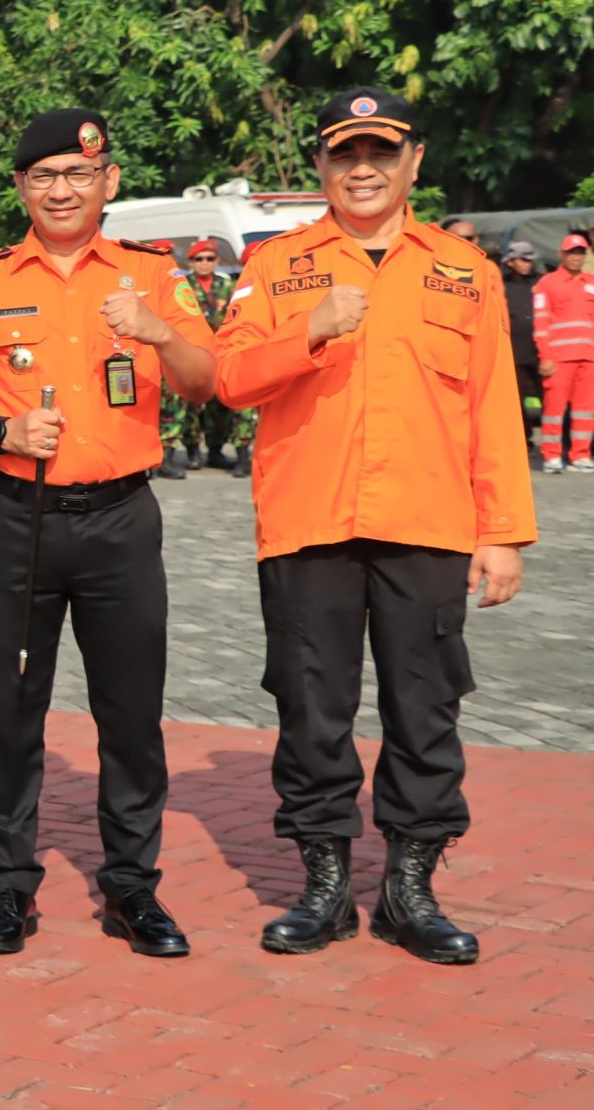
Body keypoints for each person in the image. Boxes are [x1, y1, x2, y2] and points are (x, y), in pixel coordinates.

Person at [219, 86, 532, 964]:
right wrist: (308, 333)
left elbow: (494, 407)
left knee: (425, 711)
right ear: (320, 164)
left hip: (428, 524)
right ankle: (324, 887)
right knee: (311, 709)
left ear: (413, 162)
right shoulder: (278, 265)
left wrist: (501, 530)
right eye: (345, 154)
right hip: (307, 523)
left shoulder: (461, 270)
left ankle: (410, 889)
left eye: (381, 154)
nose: (363, 170)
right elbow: (229, 378)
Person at [0, 109, 221, 957]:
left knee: (131, 715)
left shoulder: (153, 277)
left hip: (123, 520)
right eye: (44, 176)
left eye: (79, 175)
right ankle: (9, 888)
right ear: (20, 187)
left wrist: (158, 331)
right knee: (9, 711)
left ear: (108, 182)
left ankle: (133, 888)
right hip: (19, 521)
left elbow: (208, 383)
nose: (62, 190)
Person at [157, 240, 256, 477]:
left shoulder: (228, 285)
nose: (204, 264)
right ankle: (178, 454)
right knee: (180, 406)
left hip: (223, 353)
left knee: (223, 408)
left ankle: (218, 451)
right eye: (199, 259)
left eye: (209, 259)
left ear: (217, 261)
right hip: (188, 353)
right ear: (190, 262)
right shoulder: (181, 284)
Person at [531, 232, 594, 472]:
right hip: (558, 359)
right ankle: (552, 455)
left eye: (580, 253)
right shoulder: (547, 284)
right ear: (561, 255)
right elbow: (541, 322)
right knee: (554, 410)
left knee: (586, 410)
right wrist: (545, 356)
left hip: (589, 357)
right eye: (571, 253)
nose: (576, 258)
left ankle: (580, 455)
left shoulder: (591, 282)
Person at [502, 239, 541, 445]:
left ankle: (565, 437)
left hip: (542, 351)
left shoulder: (541, 282)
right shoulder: (502, 285)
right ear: (510, 261)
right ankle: (524, 439)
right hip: (515, 350)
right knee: (516, 398)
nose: (528, 264)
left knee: (553, 397)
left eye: (530, 260)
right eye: (523, 260)